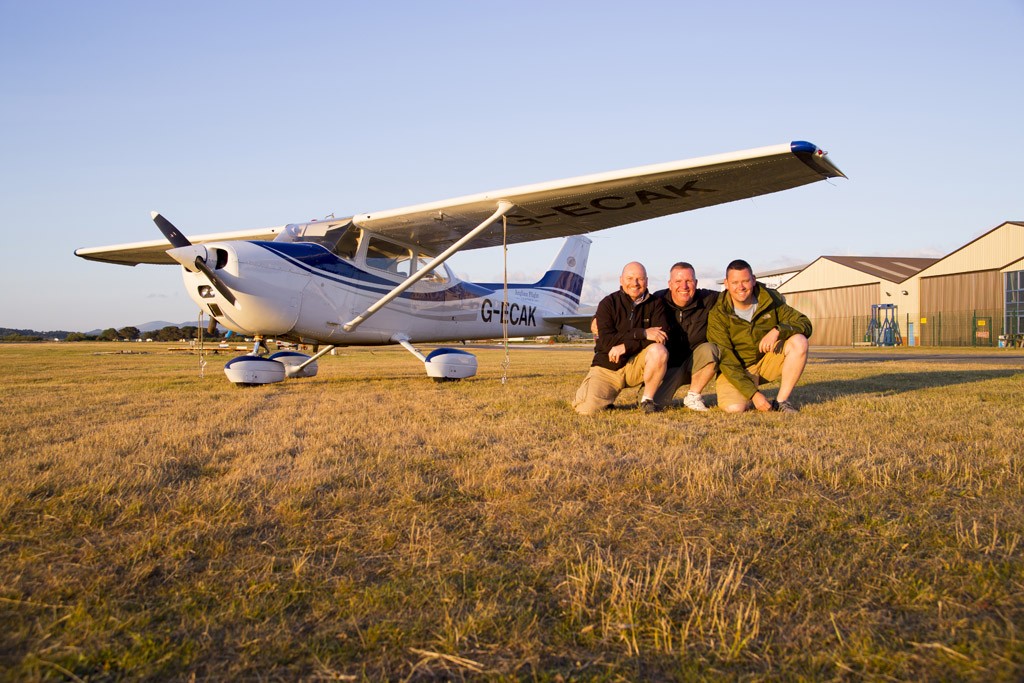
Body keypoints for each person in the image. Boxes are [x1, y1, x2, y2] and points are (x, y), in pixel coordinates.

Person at [707, 259, 812, 413]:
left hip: (765, 361)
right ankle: (748, 392)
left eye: (745, 281)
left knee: (799, 341)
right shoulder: (718, 313)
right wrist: (754, 395)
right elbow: (726, 360)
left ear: (754, 280)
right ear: (726, 284)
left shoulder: (770, 299)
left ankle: (781, 401)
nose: (741, 287)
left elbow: (804, 323)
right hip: (737, 368)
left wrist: (777, 330)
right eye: (735, 282)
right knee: (734, 409)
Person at [573, 262, 669, 414]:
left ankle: (647, 401)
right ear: (621, 280)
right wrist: (642, 333)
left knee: (659, 350)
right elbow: (606, 342)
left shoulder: (656, 304)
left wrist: (625, 346)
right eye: (629, 278)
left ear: (647, 281)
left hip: (635, 365)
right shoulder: (607, 303)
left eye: (640, 278)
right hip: (608, 366)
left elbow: (660, 337)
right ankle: (597, 396)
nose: (635, 283)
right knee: (585, 410)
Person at [650, 262, 721, 411]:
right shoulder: (657, 300)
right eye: (678, 281)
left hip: (695, 363)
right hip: (667, 367)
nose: (684, 286)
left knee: (711, 349)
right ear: (670, 284)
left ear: (695, 283)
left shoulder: (709, 298)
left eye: (689, 281)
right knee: (654, 404)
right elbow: (632, 311)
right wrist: (599, 318)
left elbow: (738, 293)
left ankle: (693, 397)